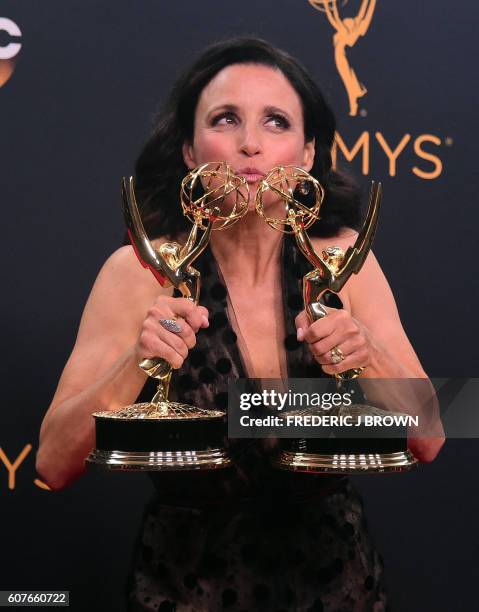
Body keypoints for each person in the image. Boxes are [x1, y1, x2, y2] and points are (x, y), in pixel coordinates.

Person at [37, 37, 444, 611]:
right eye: (225, 119)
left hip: (336, 589)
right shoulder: (140, 271)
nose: (250, 144)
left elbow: (430, 437)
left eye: (276, 122)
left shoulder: (345, 260)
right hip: (184, 591)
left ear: (306, 155)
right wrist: (138, 360)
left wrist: (367, 351)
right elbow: (53, 464)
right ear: (187, 149)